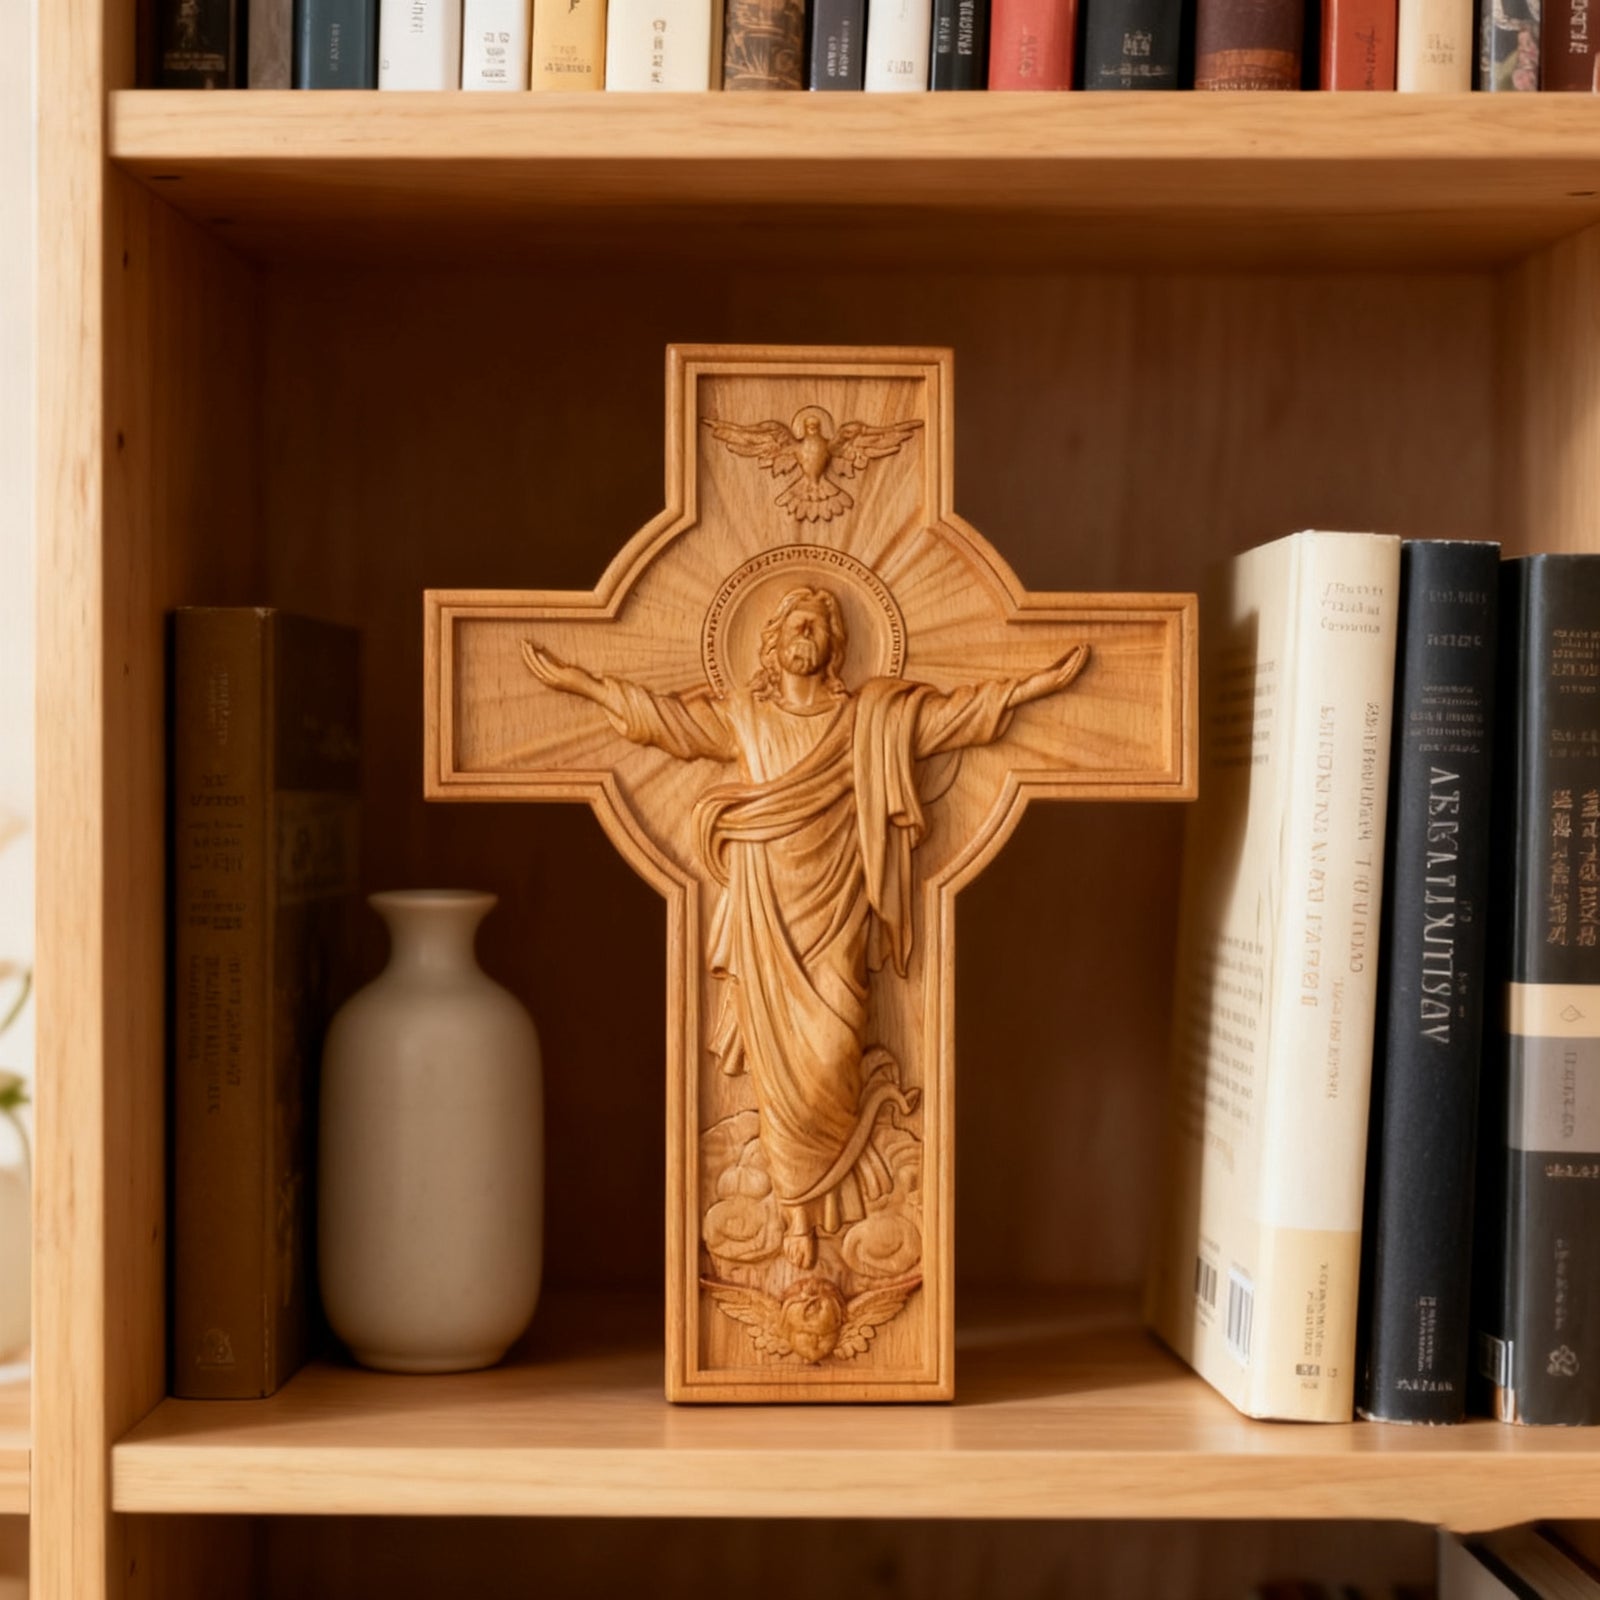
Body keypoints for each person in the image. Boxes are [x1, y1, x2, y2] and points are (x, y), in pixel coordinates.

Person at [523, 584, 1088, 1269]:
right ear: (770, 640)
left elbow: (954, 719)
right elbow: (663, 722)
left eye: (819, 628)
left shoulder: (869, 719)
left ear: (836, 647)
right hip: (768, 911)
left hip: (838, 909)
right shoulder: (744, 715)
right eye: (795, 623)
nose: (806, 635)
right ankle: (797, 1222)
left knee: (830, 1056)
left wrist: (1035, 686)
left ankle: (827, 1196)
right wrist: (580, 682)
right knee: (774, 1073)